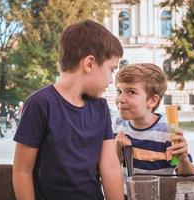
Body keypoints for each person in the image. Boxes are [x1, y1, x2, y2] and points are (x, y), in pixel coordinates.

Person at [13, 20, 124, 200]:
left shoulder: (101, 107)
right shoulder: (39, 104)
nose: (111, 81)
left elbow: (110, 167)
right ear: (89, 64)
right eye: (111, 70)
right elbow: (22, 170)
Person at [113, 63, 194, 177]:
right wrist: (117, 152)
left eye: (131, 92)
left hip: (158, 194)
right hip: (124, 195)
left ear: (152, 101)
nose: (121, 99)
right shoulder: (116, 124)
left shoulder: (167, 133)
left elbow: (187, 175)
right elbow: (109, 168)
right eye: (119, 91)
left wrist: (184, 159)